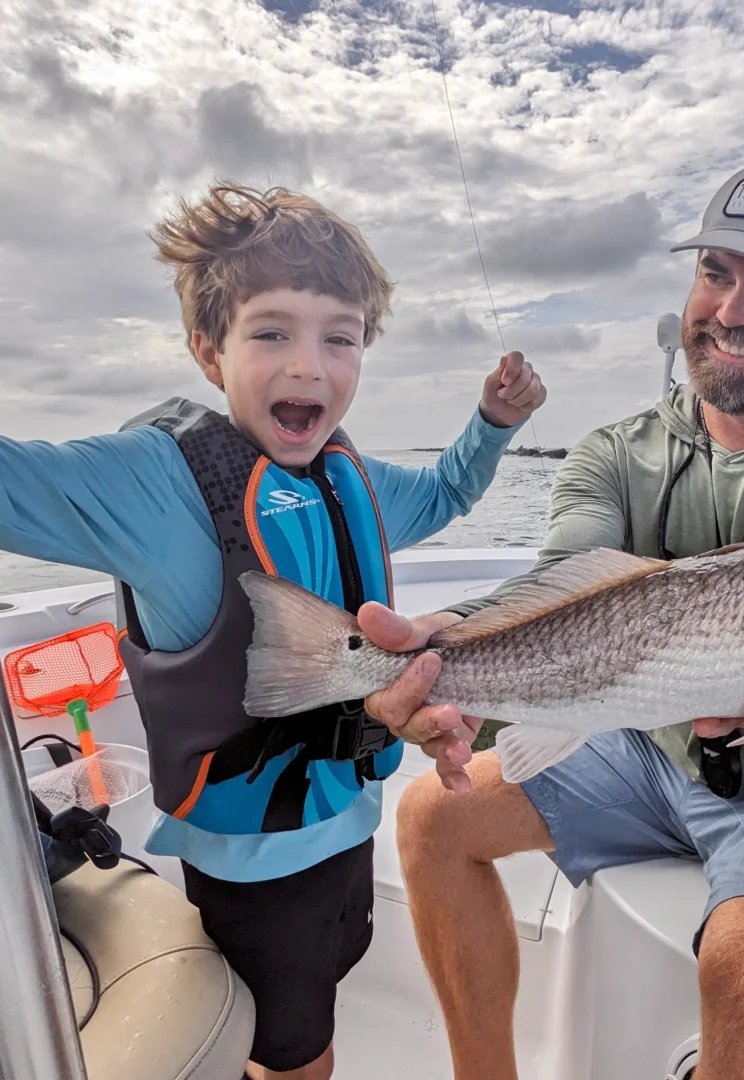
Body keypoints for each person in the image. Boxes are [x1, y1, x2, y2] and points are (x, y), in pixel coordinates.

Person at [360, 156, 744, 1080]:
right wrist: (442, 650)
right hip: (650, 744)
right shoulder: (611, 452)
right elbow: (560, 584)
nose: (728, 309)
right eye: (715, 272)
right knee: (434, 817)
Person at [0, 182, 546, 1080]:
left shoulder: (350, 481)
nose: (310, 367)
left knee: (326, 999)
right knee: (299, 1061)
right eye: (271, 332)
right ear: (208, 350)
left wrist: (494, 425)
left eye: (340, 336)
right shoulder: (153, 483)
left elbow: (447, 493)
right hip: (254, 868)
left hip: (349, 829)